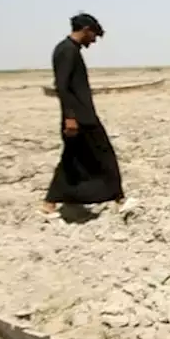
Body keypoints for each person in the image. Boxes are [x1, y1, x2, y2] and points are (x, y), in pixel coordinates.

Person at [40, 12, 134, 217]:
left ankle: (49, 204)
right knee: (104, 156)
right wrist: (70, 117)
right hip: (80, 118)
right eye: (94, 35)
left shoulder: (69, 49)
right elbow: (62, 87)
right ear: (86, 30)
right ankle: (120, 200)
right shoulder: (67, 51)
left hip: (81, 115)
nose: (94, 40)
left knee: (72, 159)